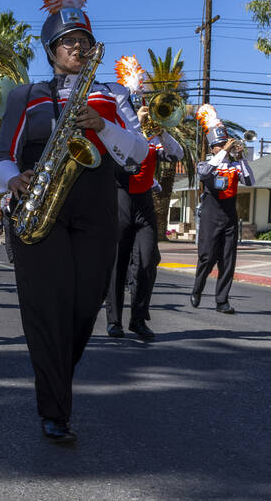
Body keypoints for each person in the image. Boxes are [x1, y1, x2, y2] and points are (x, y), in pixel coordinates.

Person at [0, 0, 148, 443]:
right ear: (51, 49)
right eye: (67, 42)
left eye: (83, 41)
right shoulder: (26, 94)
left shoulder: (112, 93)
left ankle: (59, 373)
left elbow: (139, 153)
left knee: (82, 308)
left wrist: (103, 126)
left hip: (97, 205)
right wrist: (11, 181)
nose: (76, 47)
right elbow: (3, 155)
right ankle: (55, 410)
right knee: (45, 309)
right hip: (40, 205)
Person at [106, 57, 184, 340]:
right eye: (133, 102)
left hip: (145, 203)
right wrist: (134, 127)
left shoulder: (153, 138)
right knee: (118, 262)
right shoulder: (118, 132)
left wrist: (162, 130)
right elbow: (119, 151)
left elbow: (178, 155)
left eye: (140, 102)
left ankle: (138, 318)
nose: (139, 107)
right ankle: (114, 320)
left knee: (149, 259)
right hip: (120, 200)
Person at [191, 104, 254, 314]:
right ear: (212, 149)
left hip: (229, 216)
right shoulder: (205, 164)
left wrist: (241, 156)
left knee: (228, 260)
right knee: (207, 257)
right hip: (210, 216)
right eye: (218, 145)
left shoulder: (235, 165)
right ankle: (197, 289)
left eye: (224, 144)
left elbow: (250, 181)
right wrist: (224, 152)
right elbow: (205, 174)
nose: (223, 147)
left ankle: (222, 300)